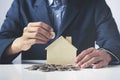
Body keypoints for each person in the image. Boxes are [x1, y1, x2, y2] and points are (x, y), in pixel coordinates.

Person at [0, 0, 120, 68]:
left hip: (81, 75)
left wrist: (106, 54)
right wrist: (18, 44)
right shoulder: (22, 3)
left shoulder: (95, 3)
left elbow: (114, 42)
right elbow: (2, 40)